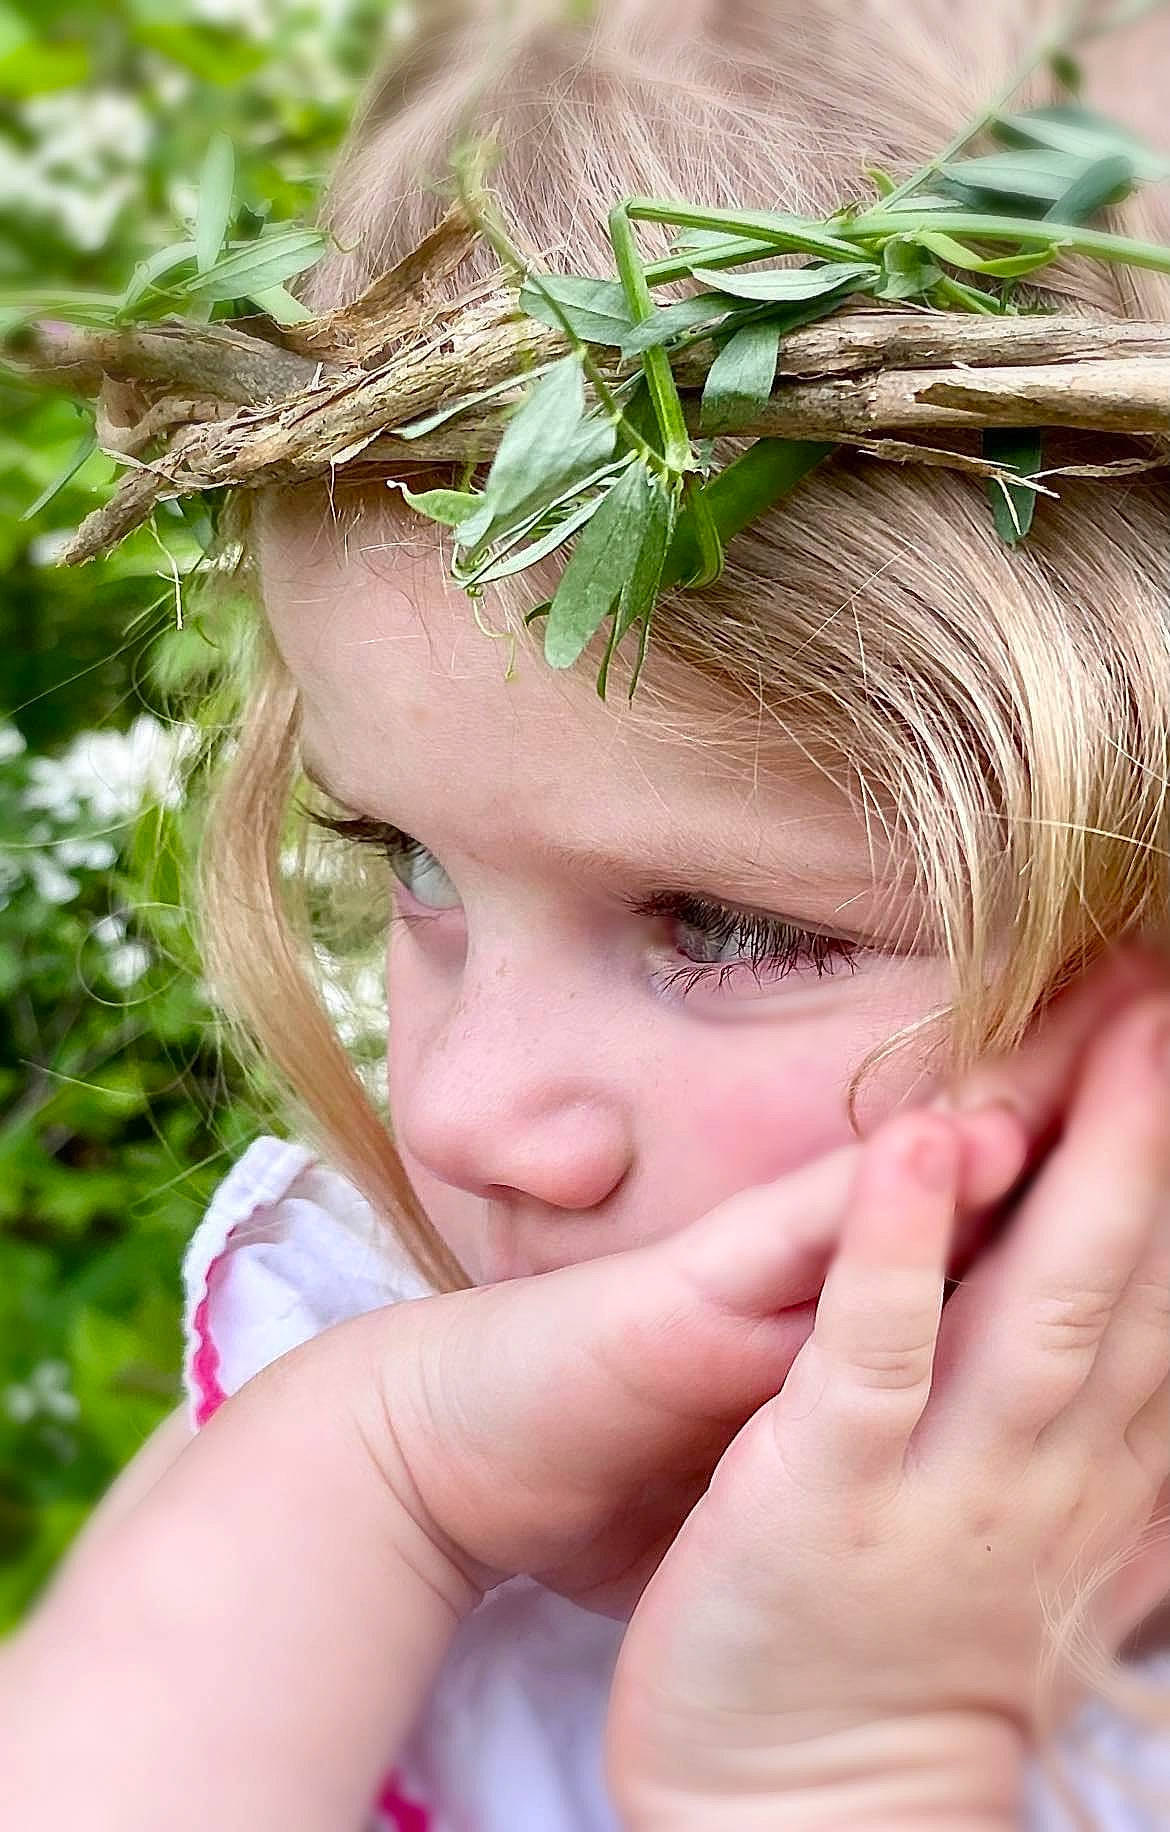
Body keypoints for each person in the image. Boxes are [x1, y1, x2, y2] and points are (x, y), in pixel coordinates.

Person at [3, 0, 1170, 1827]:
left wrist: (836, 1780)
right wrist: (380, 1482)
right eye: (414, 866)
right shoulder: (404, 1376)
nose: (460, 1114)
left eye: (725, 925)